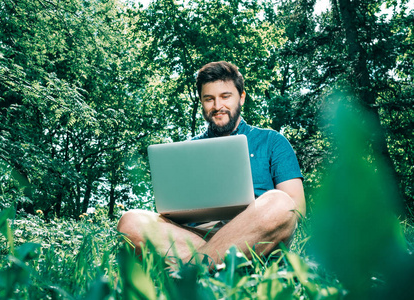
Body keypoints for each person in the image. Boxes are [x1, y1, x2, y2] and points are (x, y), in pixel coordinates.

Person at [117, 61, 305, 266]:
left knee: (282, 204)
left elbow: (298, 209)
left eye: (225, 96)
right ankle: (220, 266)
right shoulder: (186, 151)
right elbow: (171, 212)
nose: (217, 106)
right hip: (195, 234)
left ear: (241, 97)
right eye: (209, 99)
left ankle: (191, 270)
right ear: (201, 103)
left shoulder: (272, 141)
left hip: (254, 234)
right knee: (130, 222)